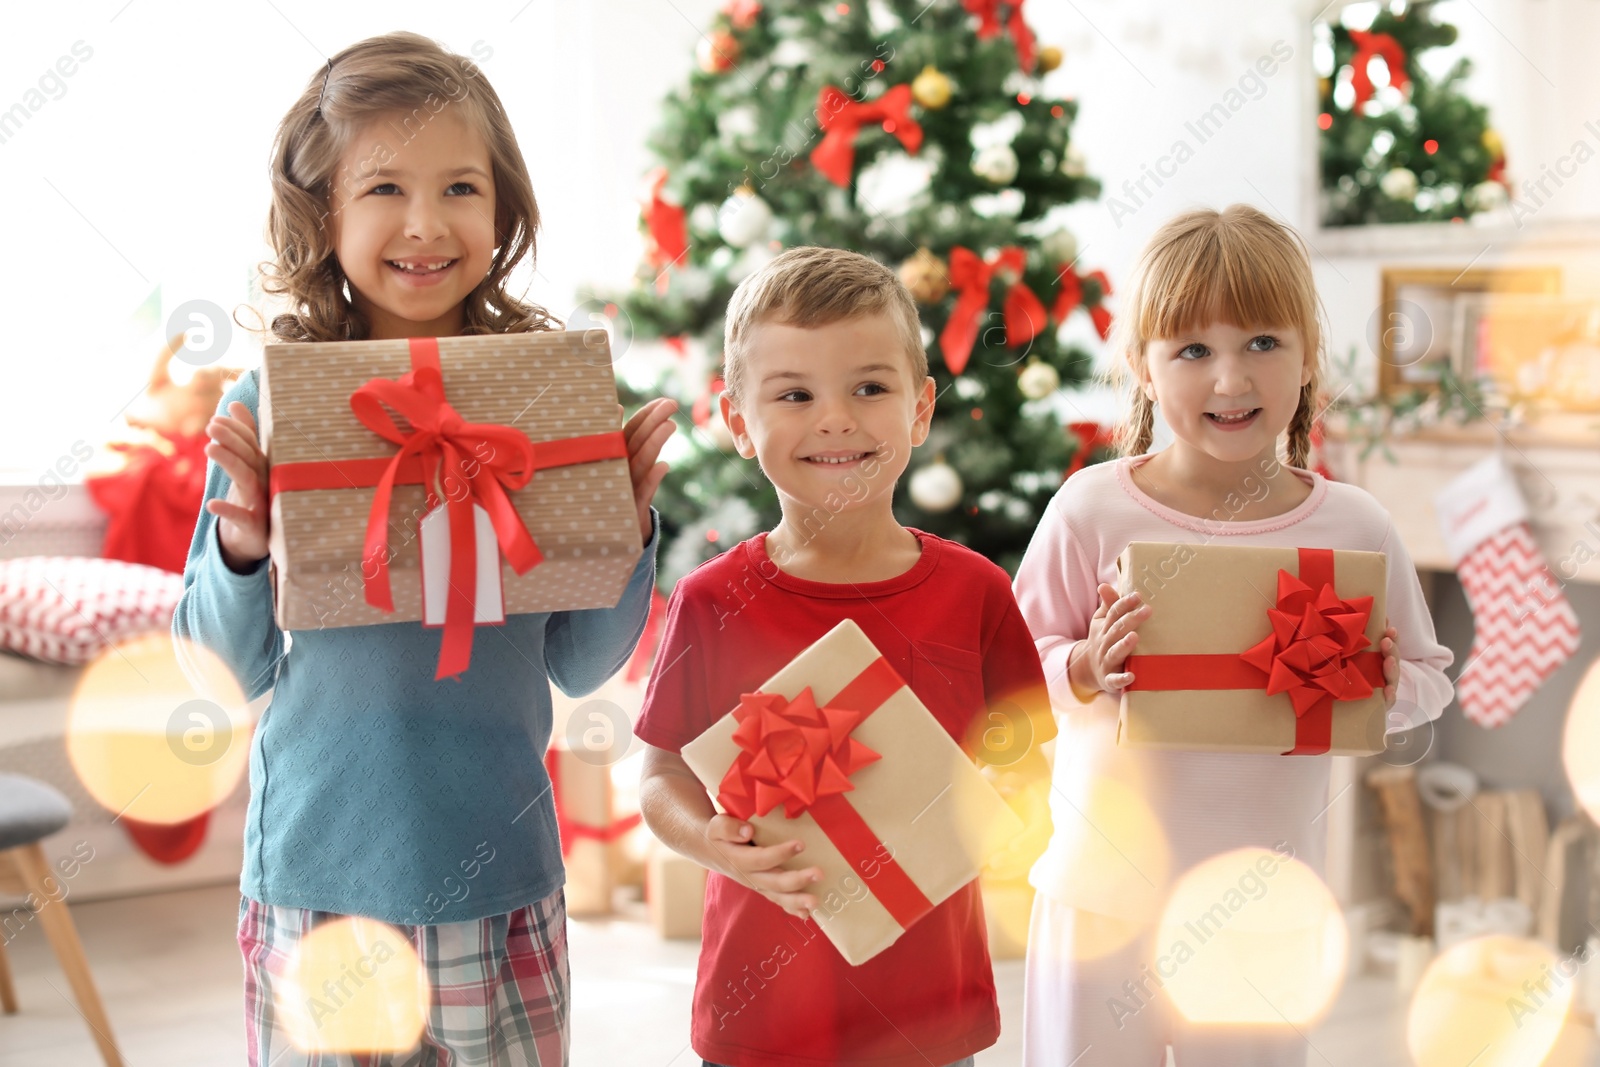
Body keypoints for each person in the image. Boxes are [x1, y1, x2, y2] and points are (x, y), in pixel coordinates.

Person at [172, 32, 676, 1066]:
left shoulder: (540, 394)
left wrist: (622, 533)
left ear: (503, 208)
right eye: (384, 189)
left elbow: (582, 661)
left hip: (499, 864)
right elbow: (221, 669)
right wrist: (244, 539)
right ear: (322, 214)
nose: (424, 223)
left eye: (460, 186)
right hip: (321, 877)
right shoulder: (269, 401)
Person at [1014, 204, 1455, 1066]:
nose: (1231, 379)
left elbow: (1429, 678)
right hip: (1103, 897)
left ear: (1307, 362)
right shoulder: (1091, 510)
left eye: (1262, 343)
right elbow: (1009, 675)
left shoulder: (1354, 524)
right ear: (1141, 367)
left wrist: (1384, 683)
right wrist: (1083, 667)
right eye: (1192, 350)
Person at [635, 245, 1055, 1067]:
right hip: (763, 1016)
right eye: (795, 394)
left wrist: (1013, 799)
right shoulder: (714, 602)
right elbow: (659, 777)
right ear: (738, 421)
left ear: (922, 407)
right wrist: (710, 842)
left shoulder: (974, 593)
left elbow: (1027, 754)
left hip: (930, 1014)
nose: (836, 419)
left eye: (870, 387)